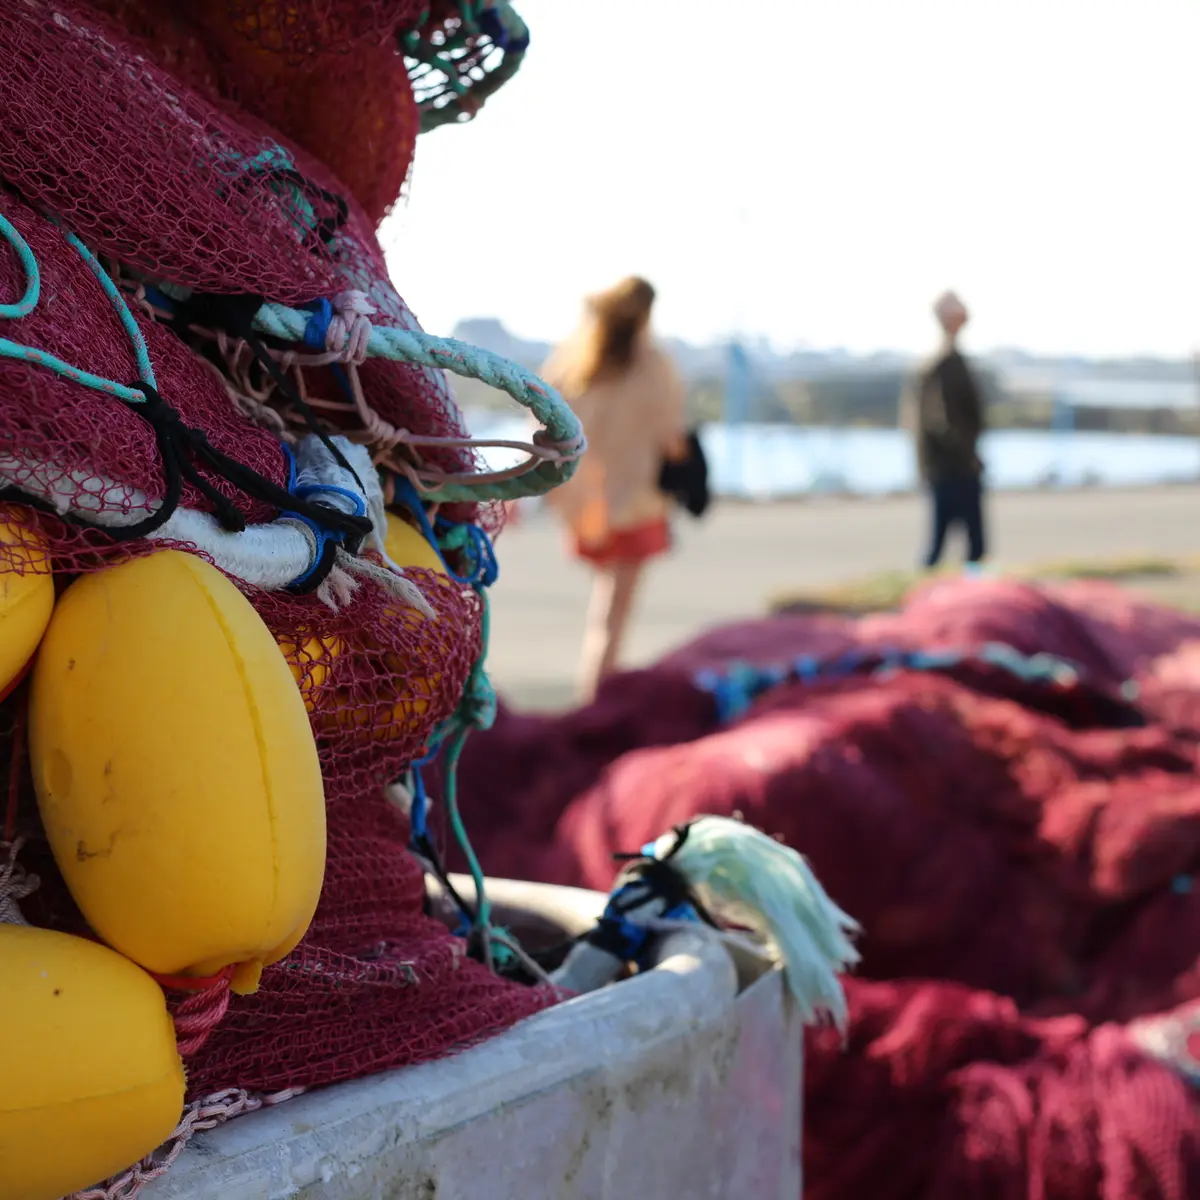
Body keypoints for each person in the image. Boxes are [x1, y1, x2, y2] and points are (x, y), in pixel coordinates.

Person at [539, 276, 689, 701]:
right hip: (637, 505)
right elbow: (671, 436)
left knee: (605, 609)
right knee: (612, 617)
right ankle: (595, 701)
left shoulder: (574, 362)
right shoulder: (654, 364)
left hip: (588, 505)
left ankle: (596, 692)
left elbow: (544, 423)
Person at [902, 290, 987, 570]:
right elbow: (941, 421)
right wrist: (968, 457)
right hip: (952, 467)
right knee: (965, 544)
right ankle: (955, 600)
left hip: (945, 465)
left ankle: (957, 594)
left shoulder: (939, 362)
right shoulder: (943, 363)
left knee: (956, 543)